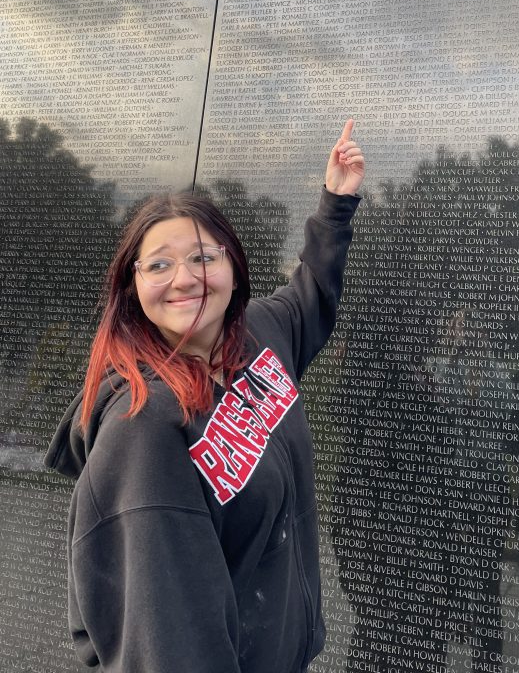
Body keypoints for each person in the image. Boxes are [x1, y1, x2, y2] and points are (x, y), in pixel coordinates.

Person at [45, 121, 364, 673]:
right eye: (159, 264)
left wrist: (335, 204)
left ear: (234, 268)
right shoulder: (145, 429)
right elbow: (168, 642)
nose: (185, 279)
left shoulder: (258, 335)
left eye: (202, 257)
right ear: (133, 287)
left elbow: (309, 295)